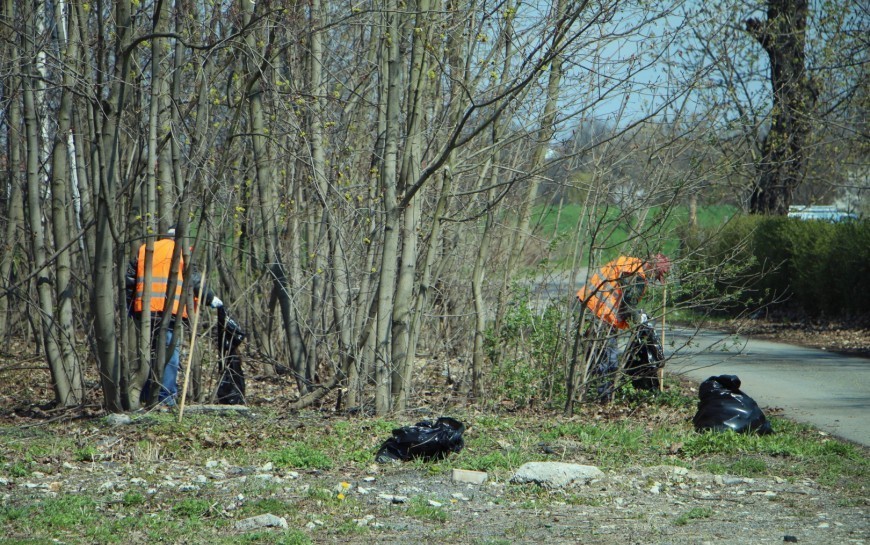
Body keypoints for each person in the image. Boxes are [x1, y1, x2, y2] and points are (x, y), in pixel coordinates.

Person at [125, 227, 223, 406]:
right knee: (170, 357)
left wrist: (129, 308)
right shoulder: (182, 252)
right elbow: (193, 280)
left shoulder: (146, 249)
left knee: (150, 354)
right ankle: (166, 397)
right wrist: (210, 298)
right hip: (170, 313)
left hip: (146, 312)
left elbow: (130, 280)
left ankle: (147, 395)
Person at [575, 254, 670, 399]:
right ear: (652, 267)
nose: (653, 279)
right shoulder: (636, 275)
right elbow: (627, 306)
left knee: (595, 360)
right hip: (598, 316)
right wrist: (639, 319)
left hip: (587, 308)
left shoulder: (628, 263)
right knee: (608, 362)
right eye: (655, 275)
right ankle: (602, 399)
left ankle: (591, 396)